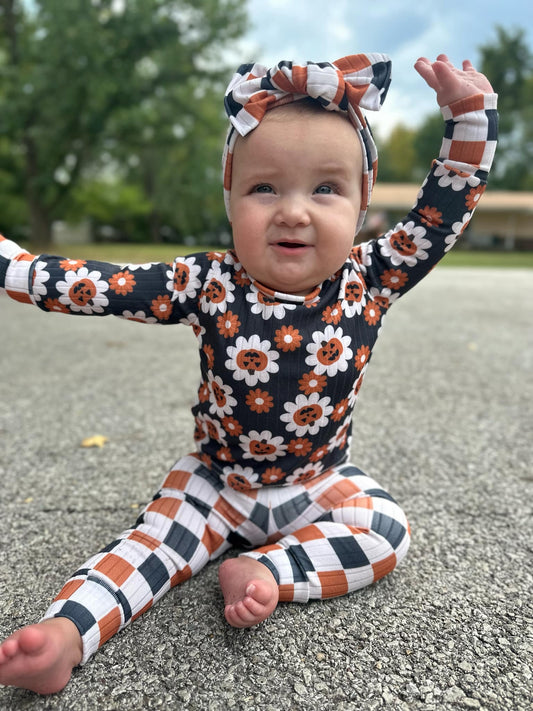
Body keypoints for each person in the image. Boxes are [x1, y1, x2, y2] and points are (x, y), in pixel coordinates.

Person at [0, 53, 497, 695]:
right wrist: (16, 269)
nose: (294, 211)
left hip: (316, 481)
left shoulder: (372, 277)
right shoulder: (207, 282)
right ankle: (66, 635)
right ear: (231, 198)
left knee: (386, 531)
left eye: (326, 188)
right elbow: (103, 284)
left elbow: (444, 207)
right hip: (216, 479)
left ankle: (271, 570)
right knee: (151, 545)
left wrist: (468, 117)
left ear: (363, 202)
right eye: (265, 188)